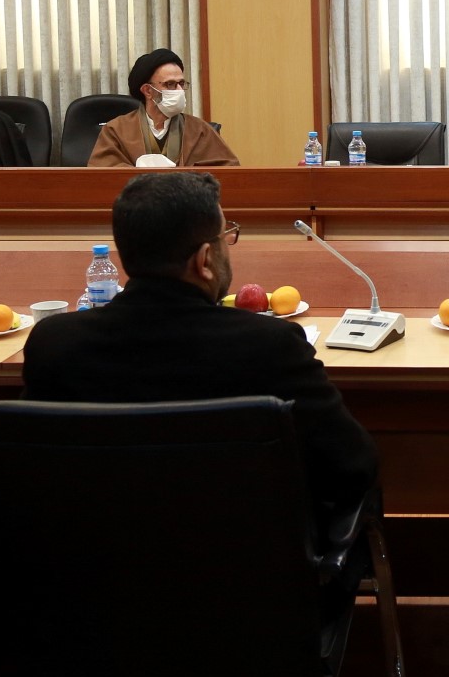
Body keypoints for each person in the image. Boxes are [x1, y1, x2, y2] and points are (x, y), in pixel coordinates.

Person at [21, 171, 375, 517]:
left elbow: (28, 467)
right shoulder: (271, 346)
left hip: (93, 552)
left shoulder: (55, 343)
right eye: (226, 236)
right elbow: (354, 465)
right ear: (205, 260)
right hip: (245, 553)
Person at [87, 48, 239, 167]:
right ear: (148, 91)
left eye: (181, 83)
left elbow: (228, 172)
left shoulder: (200, 130)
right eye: (170, 84)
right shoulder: (116, 130)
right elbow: (102, 175)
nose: (179, 90)